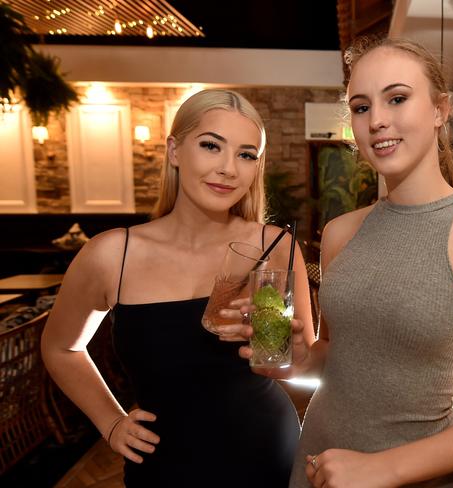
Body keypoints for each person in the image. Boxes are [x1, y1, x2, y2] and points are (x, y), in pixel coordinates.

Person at [238, 37, 453, 487]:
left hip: (410, 478)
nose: (378, 120)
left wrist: (382, 468)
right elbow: (340, 358)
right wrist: (295, 360)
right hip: (315, 463)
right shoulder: (341, 232)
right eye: (361, 108)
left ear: (440, 110)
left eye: (397, 98)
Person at [41, 89, 314, 487]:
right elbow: (60, 347)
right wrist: (112, 422)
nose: (228, 169)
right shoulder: (112, 254)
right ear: (174, 151)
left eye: (246, 154)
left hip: (265, 451)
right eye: (210, 146)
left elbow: (285, 364)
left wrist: (295, 352)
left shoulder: (272, 248)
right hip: (162, 460)